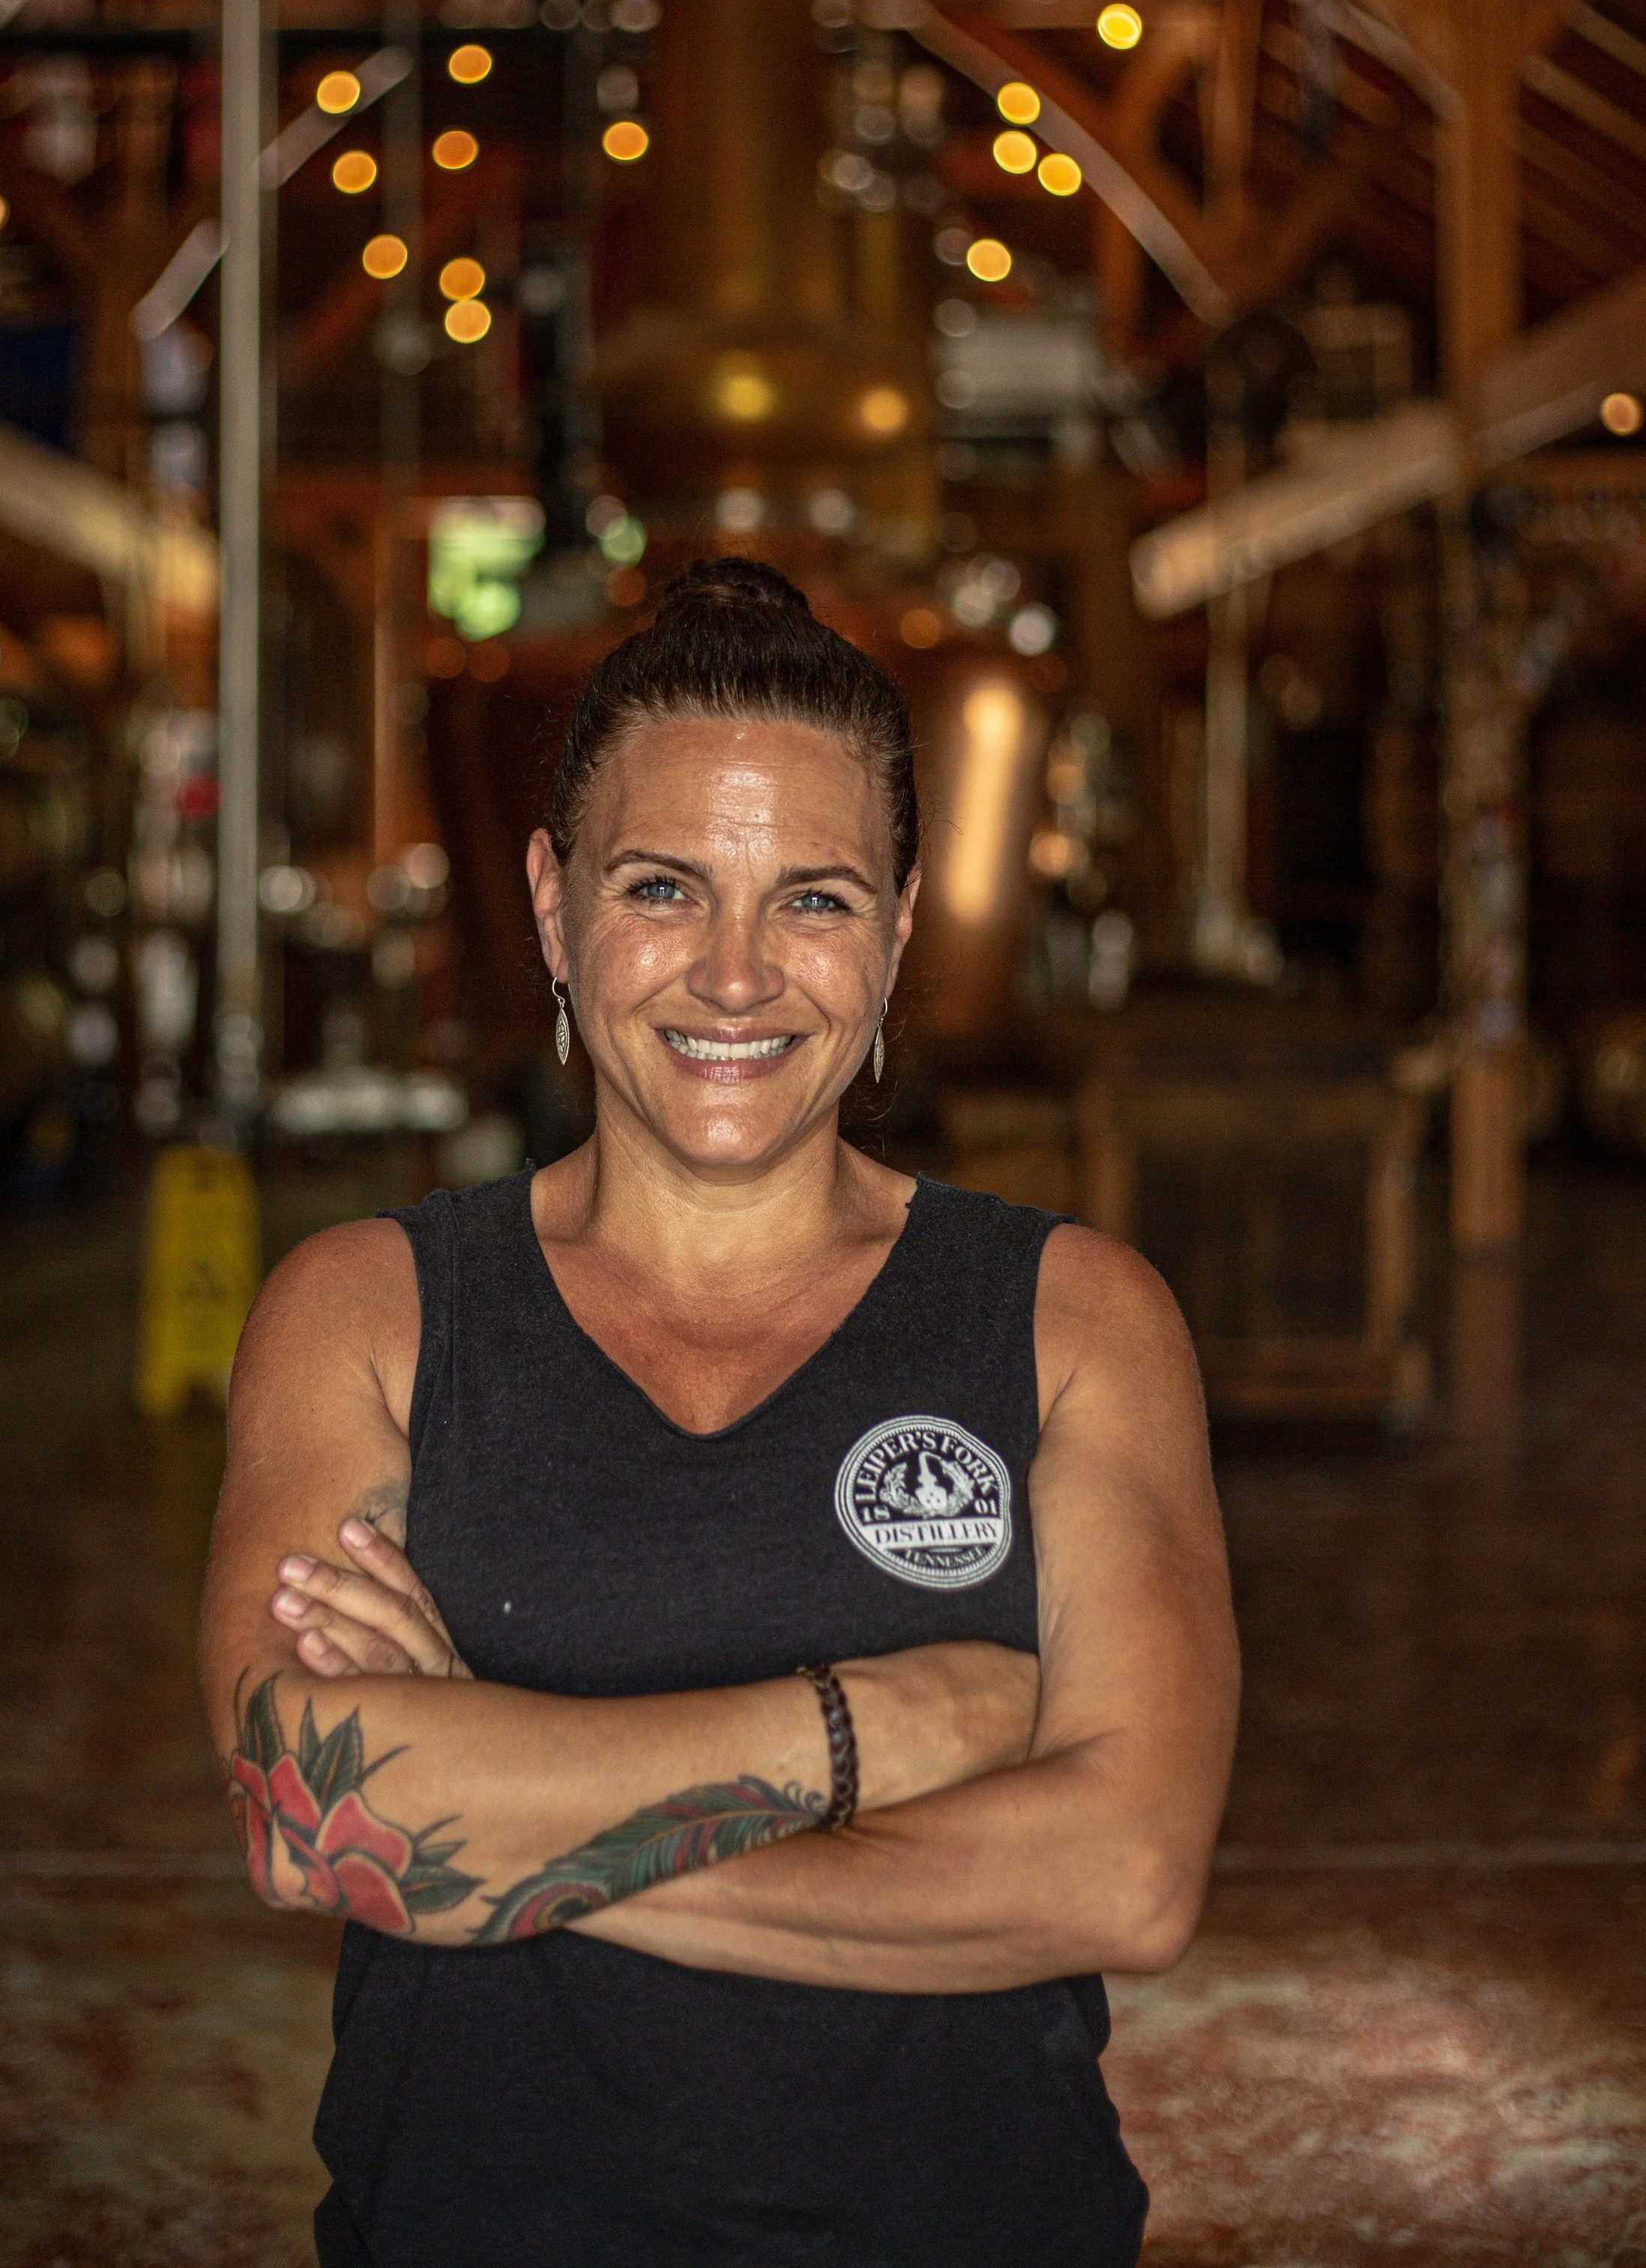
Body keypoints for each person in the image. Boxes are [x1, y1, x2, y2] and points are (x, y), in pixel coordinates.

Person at [199, 556, 1239, 2267]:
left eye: (815, 900)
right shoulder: (368, 1310)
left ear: (899, 927)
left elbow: (1123, 1877)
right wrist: (854, 1736)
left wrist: (498, 1813)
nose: (737, 977)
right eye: (663, 888)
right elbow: (311, 1819)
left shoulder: (1070, 1320)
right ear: (550, 907)